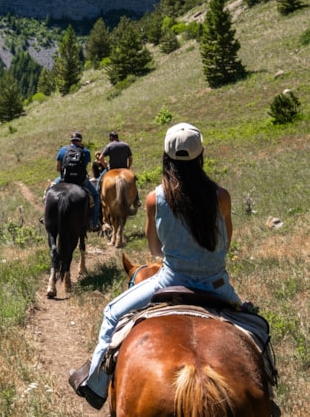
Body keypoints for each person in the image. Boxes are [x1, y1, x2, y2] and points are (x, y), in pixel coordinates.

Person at [71, 123, 239, 409]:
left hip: (170, 281)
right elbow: (226, 244)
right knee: (257, 330)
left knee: (112, 314)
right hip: (217, 285)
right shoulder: (221, 196)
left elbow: (154, 249)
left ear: (166, 156)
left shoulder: (155, 198)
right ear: (201, 154)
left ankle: (96, 385)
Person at [49, 132, 101, 230]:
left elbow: (58, 169)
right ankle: (94, 223)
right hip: (81, 180)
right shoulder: (85, 151)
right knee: (95, 196)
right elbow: (84, 167)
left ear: (71, 141)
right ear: (80, 141)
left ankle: (47, 217)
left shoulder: (63, 150)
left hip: (65, 179)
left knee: (49, 191)